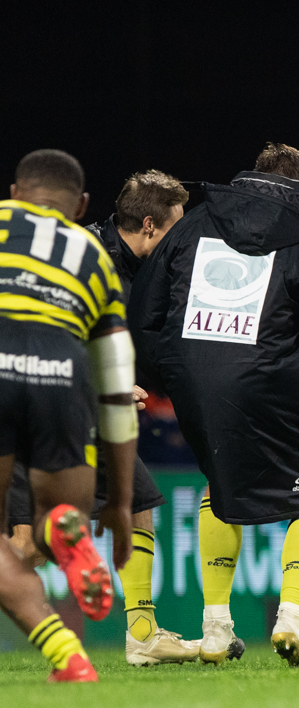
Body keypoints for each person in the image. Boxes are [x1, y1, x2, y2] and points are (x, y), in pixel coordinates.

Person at [128, 144, 299, 667]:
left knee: (220, 484)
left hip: (194, 380)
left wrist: (167, 373)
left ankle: (216, 628)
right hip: (274, 379)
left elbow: (145, 309)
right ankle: (291, 620)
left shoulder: (193, 225)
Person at [5, 170, 235, 666]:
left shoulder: (121, 264)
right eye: (176, 227)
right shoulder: (94, 262)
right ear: (149, 225)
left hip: (52, 397)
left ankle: (142, 633)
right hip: (45, 396)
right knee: (24, 546)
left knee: (139, 503)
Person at [0, 149, 138, 681]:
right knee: (54, 519)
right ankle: (64, 528)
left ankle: (62, 648)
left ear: (16, 191)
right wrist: (121, 503)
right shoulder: (92, 255)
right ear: (80, 206)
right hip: (62, 369)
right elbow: (118, 383)